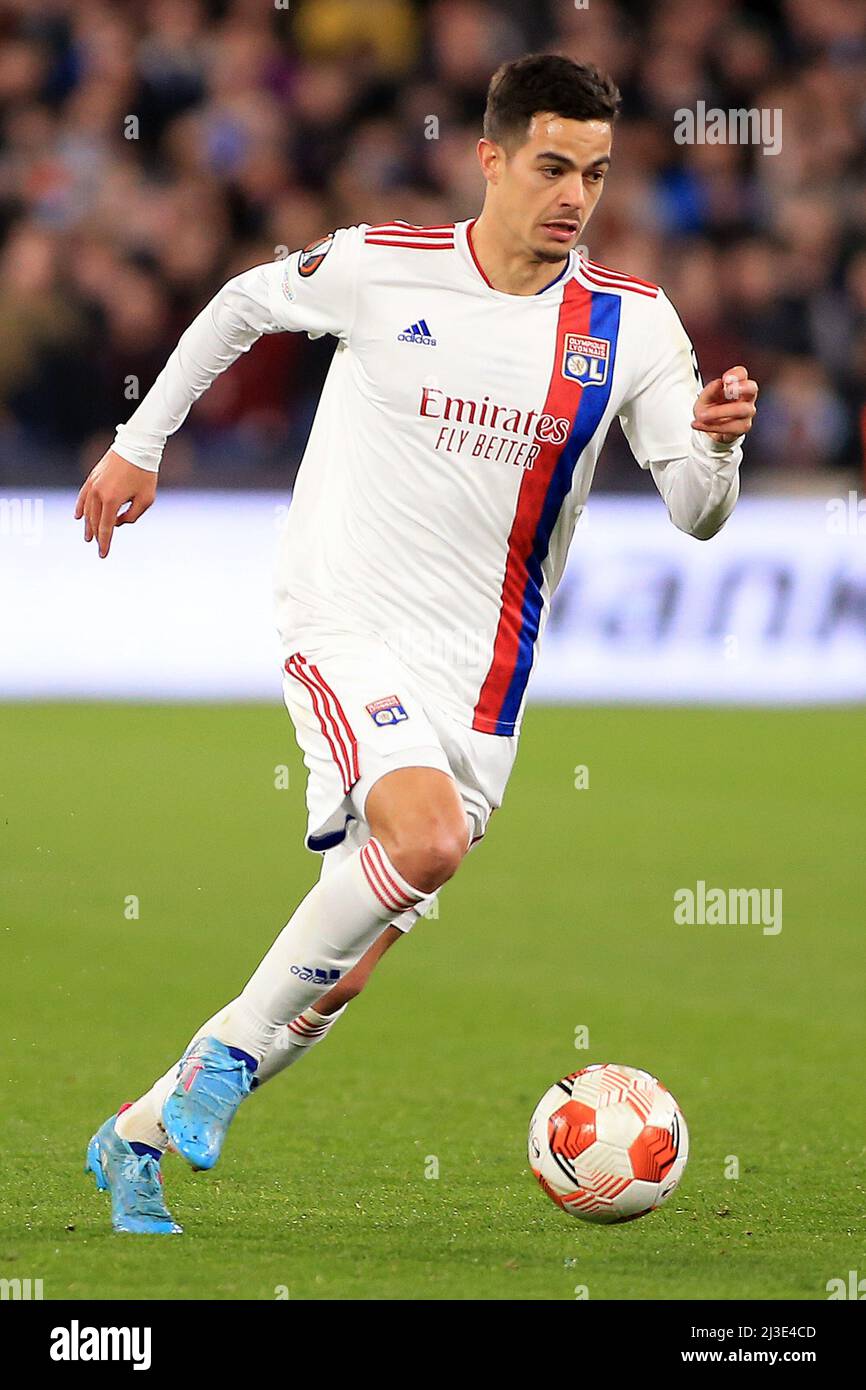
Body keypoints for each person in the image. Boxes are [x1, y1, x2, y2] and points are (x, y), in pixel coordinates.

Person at [77, 53, 758, 1234]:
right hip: (343, 617)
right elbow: (241, 302)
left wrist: (718, 446)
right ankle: (224, 1063)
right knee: (424, 841)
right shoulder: (383, 268)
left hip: (482, 679)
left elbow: (696, 513)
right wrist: (139, 443)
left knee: (343, 963)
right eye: (550, 165)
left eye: (593, 173)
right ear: (488, 158)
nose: (572, 195)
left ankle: (136, 1131)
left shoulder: (631, 325)